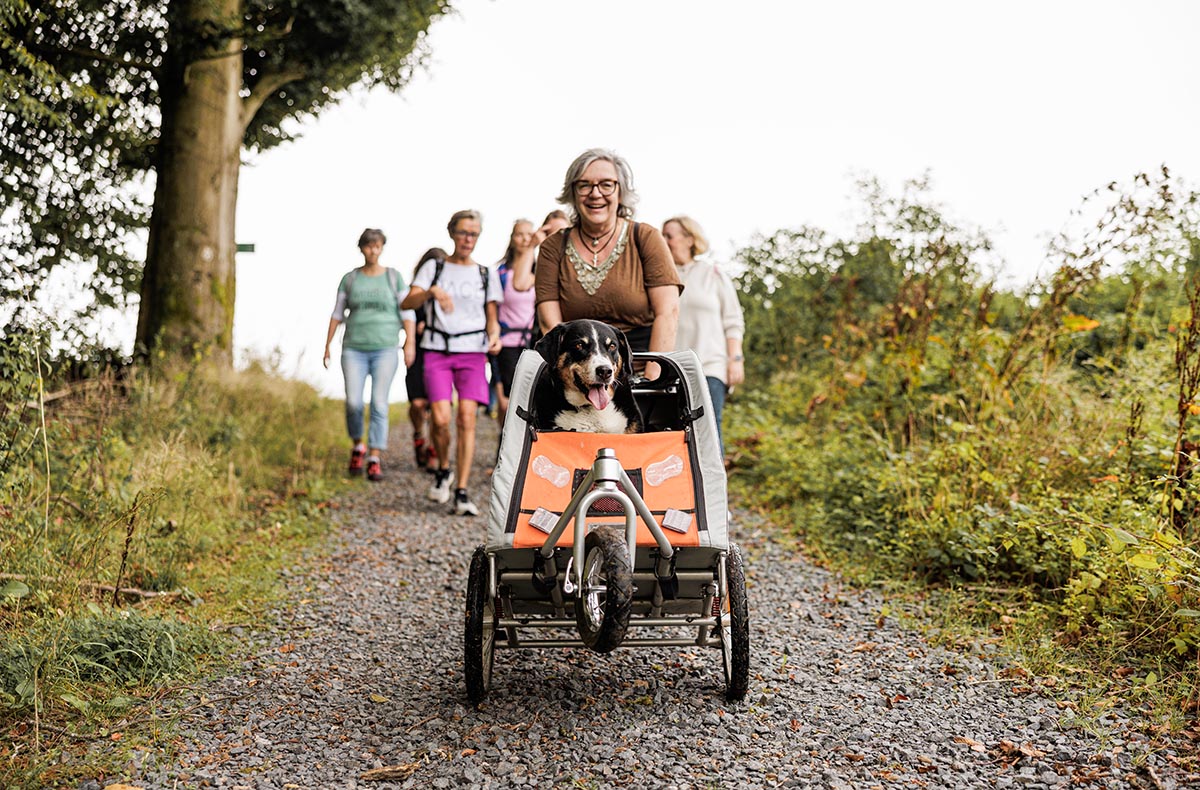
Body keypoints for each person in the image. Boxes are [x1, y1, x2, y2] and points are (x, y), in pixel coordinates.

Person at [530, 149, 681, 379]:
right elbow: (549, 321)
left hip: (639, 365)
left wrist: (652, 378)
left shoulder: (646, 238)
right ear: (573, 192)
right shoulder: (553, 247)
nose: (595, 193)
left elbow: (668, 312)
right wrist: (574, 380)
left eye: (606, 184)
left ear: (620, 191)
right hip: (576, 372)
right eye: (584, 185)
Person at [400, 210, 502, 515]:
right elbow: (406, 302)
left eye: (474, 234)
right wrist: (430, 291)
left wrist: (494, 336)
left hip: (472, 352)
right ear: (452, 234)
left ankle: (462, 490)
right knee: (441, 419)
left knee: (467, 419)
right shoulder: (435, 267)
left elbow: (492, 317)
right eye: (463, 233)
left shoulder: (485, 273)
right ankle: (444, 468)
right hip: (437, 349)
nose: (468, 239)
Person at [323, 228, 415, 482]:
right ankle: (357, 445)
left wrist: (410, 343)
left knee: (378, 401)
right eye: (368, 246)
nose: (373, 250)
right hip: (354, 347)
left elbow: (407, 313)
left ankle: (374, 456)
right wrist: (327, 345)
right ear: (361, 248)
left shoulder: (393, 278)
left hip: (385, 347)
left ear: (382, 248)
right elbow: (337, 313)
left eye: (377, 246)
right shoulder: (350, 279)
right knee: (353, 401)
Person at [663, 216, 745, 453]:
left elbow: (733, 320)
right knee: (675, 434)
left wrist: (735, 359)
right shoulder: (661, 276)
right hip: (674, 368)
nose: (664, 241)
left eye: (670, 235)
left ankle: (714, 490)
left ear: (689, 239)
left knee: (708, 429)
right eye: (662, 236)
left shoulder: (713, 273)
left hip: (710, 366)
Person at [493, 211, 569, 431]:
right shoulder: (510, 271)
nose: (525, 239)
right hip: (518, 340)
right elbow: (519, 283)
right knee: (510, 400)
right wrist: (535, 243)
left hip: (558, 340)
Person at [405, 247, 447, 474]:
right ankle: (418, 434)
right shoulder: (417, 292)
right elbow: (405, 312)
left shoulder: (447, 290)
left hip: (440, 351)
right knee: (418, 404)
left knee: (436, 406)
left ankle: (432, 450)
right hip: (419, 350)